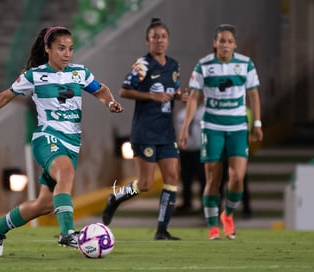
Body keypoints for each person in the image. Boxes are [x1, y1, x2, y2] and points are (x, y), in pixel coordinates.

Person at [0, 26, 124, 256]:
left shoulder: (80, 73)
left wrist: (110, 103)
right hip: (47, 138)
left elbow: (101, 90)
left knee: (44, 204)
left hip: (72, 143)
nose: (67, 54)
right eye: (61, 48)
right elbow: (5, 95)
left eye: (70, 49)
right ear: (47, 49)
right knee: (66, 172)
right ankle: (67, 233)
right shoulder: (35, 76)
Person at [102, 18, 188, 240]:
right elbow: (124, 91)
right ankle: (115, 198)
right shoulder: (143, 65)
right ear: (148, 40)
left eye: (163, 36)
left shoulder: (173, 65)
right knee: (146, 184)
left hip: (166, 132)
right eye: (155, 37)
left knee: (172, 176)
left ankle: (162, 230)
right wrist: (152, 95)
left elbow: (174, 89)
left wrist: (180, 95)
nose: (159, 40)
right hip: (145, 131)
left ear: (168, 40)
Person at [178, 24, 263, 240]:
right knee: (213, 178)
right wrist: (186, 127)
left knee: (237, 177)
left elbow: (253, 94)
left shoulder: (245, 64)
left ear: (234, 44)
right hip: (212, 127)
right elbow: (195, 97)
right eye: (221, 41)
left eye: (229, 41)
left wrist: (258, 123)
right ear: (215, 43)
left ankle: (229, 215)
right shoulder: (204, 66)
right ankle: (213, 225)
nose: (225, 45)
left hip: (237, 127)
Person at [174, 97, 206, 214]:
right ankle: (187, 202)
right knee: (186, 177)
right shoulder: (181, 114)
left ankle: (205, 204)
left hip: (200, 150)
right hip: (186, 150)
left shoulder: (204, 112)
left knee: (203, 178)